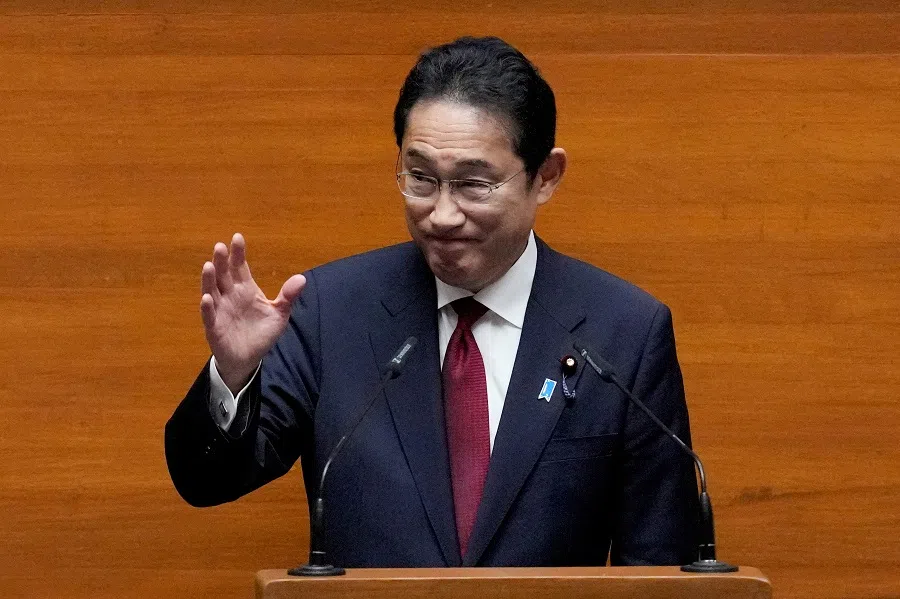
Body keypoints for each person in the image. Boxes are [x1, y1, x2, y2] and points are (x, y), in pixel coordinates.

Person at [165, 36, 698, 568]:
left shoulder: (624, 332)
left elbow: (659, 566)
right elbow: (206, 481)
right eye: (420, 178)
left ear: (545, 177)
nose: (441, 215)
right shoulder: (331, 311)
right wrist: (233, 375)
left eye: (472, 184)